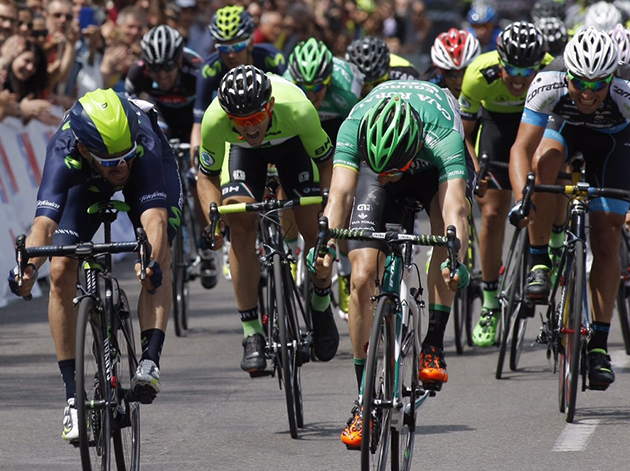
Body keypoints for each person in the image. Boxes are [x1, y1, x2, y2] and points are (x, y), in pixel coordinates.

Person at [8, 88, 181, 442]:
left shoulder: (141, 141)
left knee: (157, 255)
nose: (121, 166)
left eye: (125, 156)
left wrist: (148, 259)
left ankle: (149, 360)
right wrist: (28, 267)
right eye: (111, 160)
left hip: (150, 169)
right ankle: (73, 398)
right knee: (59, 271)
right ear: (85, 149)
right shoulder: (65, 149)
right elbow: (44, 225)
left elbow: (155, 221)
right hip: (84, 182)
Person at [310, 81, 472, 448]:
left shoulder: (442, 135)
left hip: (430, 172)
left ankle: (433, 342)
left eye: (393, 169)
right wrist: (327, 245)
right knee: (363, 275)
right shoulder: (355, 126)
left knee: (443, 239)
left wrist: (456, 259)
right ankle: (363, 402)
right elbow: (340, 195)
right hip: (379, 159)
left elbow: (454, 209)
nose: (388, 175)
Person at [197, 65, 339, 374]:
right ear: (227, 115)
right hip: (243, 156)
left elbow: (327, 162)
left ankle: (321, 304)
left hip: (294, 148)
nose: (249, 128)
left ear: (270, 106)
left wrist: (329, 205)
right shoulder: (215, 120)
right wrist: (214, 219)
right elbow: (206, 177)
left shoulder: (299, 109)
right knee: (239, 221)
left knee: (315, 227)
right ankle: (252, 334)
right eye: (239, 121)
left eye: (255, 119)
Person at [509, 27, 629, 388]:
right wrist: (521, 199)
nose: (589, 93)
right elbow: (519, 149)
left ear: (613, 77)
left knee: (607, 241)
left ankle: (598, 347)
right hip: (563, 131)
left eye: (598, 84)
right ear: (567, 76)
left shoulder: (625, 93)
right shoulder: (548, 82)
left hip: (613, 144)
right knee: (544, 163)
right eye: (580, 84)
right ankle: (540, 259)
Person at [459, 22, 552, 348]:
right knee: (494, 213)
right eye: (511, 68)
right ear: (499, 61)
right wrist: (474, 170)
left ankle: (548, 254)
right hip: (496, 126)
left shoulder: (551, 73)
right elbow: (465, 134)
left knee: (543, 182)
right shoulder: (477, 75)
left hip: (537, 125)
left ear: (539, 64)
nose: (519, 77)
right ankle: (489, 302)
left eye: (527, 70)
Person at [191, 5, 286, 281]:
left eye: (238, 44)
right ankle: (228, 230)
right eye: (222, 47)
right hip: (230, 132)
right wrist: (196, 151)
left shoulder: (273, 58)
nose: (230, 53)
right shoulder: (209, 69)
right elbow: (198, 121)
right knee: (208, 173)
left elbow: (290, 103)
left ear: (251, 39)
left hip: (271, 127)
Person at [285, 37, 364, 321]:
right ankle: (289, 253)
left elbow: (356, 137)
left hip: (334, 135)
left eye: (317, 87)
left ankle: (344, 275)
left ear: (328, 81)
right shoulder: (285, 89)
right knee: (288, 189)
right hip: (298, 135)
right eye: (304, 88)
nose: (311, 94)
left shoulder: (343, 96)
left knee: (340, 204)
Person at [127, 24, 201, 142]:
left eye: (168, 67)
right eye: (155, 68)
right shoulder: (137, 72)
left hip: (193, 113)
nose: (162, 75)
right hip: (160, 112)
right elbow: (131, 111)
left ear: (180, 62)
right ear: (146, 65)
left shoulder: (196, 68)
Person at [345, 35, 420, 98]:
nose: (371, 89)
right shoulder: (346, 74)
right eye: (366, 86)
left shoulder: (405, 70)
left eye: (377, 83)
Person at [421, 27, 481, 99]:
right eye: (451, 74)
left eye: (465, 72)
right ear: (441, 72)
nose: (459, 82)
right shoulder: (429, 84)